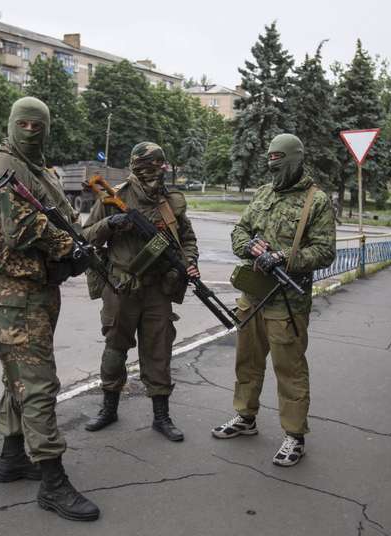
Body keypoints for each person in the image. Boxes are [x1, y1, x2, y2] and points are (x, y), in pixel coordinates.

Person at [0, 96, 100, 522]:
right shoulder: (1, 166)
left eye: (38, 125)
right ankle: (53, 481)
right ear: (12, 124)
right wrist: (70, 245)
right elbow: (21, 226)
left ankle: (12, 458)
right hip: (16, 293)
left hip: (41, 290)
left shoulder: (42, 172)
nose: (31, 131)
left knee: (20, 381)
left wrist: (82, 244)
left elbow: (66, 219)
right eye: (23, 124)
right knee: (40, 384)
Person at [210, 133, 336, 467]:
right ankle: (245, 417)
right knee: (247, 363)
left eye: (280, 163)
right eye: (270, 162)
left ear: (295, 160)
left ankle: (295, 435)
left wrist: (283, 258)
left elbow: (325, 251)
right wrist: (250, 247)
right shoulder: (264, 193)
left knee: (289, 370)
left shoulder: (316, 201)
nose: (274, 169)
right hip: (253, 296)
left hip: (287, 304)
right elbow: (239, 231)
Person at [82, 141, 199, 442]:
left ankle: (161, 416)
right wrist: (111, 223)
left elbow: (186, 238)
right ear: (134, 165)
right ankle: (108, 408)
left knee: (159, 350)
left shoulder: (170, 200)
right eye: (146, 165)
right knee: (115, 348)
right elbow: (85, 236)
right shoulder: (114, 196)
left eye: (158, 165)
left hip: (157, 289)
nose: (153, 171)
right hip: (121, 287)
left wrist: (190, 263)